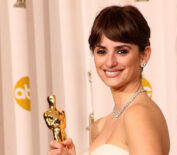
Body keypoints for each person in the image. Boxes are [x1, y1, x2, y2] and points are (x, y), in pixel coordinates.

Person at [48, 5, 170, 155]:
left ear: (144, 55)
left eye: (121, 51)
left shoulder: (138, 114)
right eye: (101, 51)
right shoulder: (99, 127)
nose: (110, 62)